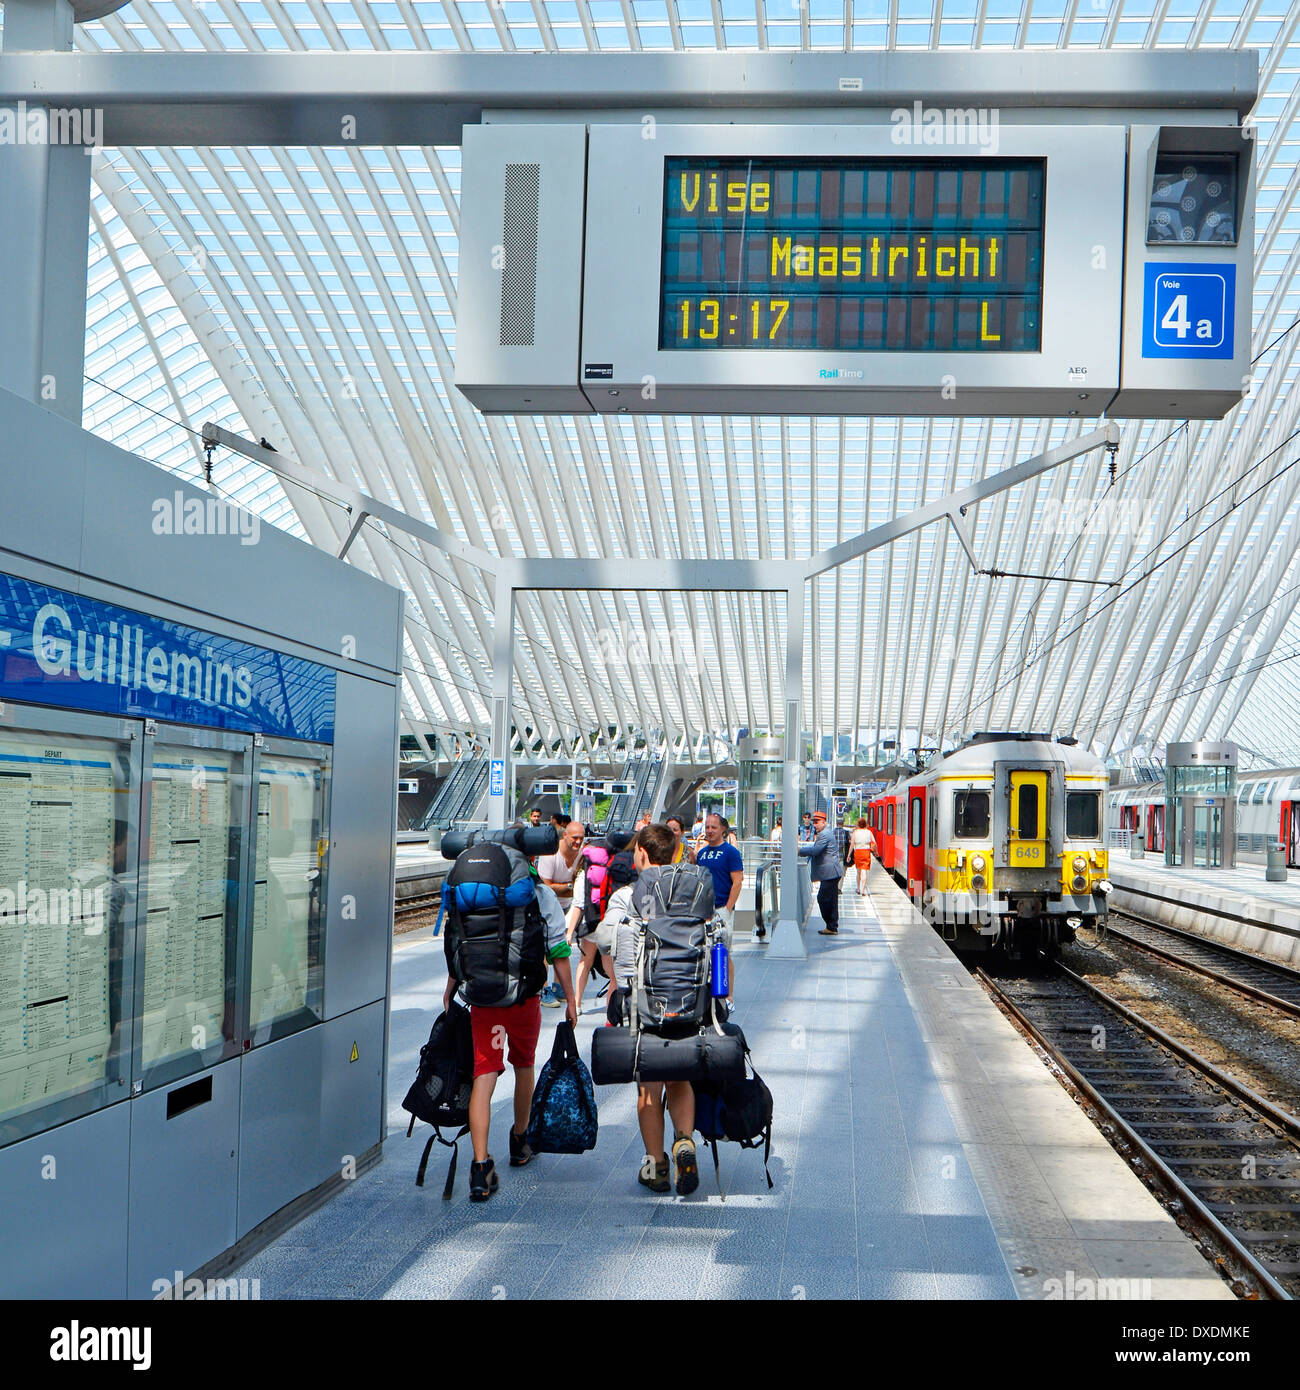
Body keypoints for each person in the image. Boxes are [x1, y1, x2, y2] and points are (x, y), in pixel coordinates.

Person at [441, 846, 577, 1202]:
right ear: (528, 860)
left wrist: (451, 987)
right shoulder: (540, 894)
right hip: (524, 999)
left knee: (483, 1076)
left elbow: (458, 941)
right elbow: (558, 951)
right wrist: (572, 999)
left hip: (483, 1000)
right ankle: (520, 1141)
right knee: (523, 1067)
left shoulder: (474, 893)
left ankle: (480, 1167)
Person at [610, 823, 701, 1196]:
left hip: (646, 1009)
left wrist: (621, 999)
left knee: (649, 1088)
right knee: (680, 1078)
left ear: (643, 854)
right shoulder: (693, 892)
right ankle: (684, 1141)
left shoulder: (628, 897)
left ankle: (657, 1166)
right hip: (689, 1005)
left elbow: (617, 956)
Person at [536, 820, 584, 1005]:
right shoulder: (550, 855)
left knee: (563, 947)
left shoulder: (581, 853)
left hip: (568, 906)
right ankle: (544, 988)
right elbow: (545, 886)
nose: (578, 842)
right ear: (565, 836)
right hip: (548, 906)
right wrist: (570, 887)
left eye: (581, 838)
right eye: (574, 838)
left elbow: (581, 888)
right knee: (545, 948)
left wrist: (566, 890)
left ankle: (558, 986)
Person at [695, 812, 743, 935]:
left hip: (721, 909)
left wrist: (727, 909)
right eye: (707, 827)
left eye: (714, 827)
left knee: (721, 951)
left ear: (723, 829)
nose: (710, 831)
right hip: (702, 911)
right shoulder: (701, 854)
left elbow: (737, 882)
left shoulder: (731, 852)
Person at [800, 809, 844, 936]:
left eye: (817, 822)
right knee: (832, 901)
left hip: (829, 873)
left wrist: (799, 850)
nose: (814, 824)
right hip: (832, 872)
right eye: (814, 822)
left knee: (823, 898)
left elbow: (815, 850)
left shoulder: (824, 835)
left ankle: (831, 925)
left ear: (824, 822)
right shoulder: (827, 833)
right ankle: (832, 926)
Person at [850, 816, 878, 896]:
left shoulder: (855, 832)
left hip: (858, 852)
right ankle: (863, 889)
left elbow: (852, 844)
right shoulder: (869, 832)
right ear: (865, 824)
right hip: (866, 852)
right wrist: (876, 852)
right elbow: (874, 842)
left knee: (858, 872)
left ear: (858, 824)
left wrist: (849, 855)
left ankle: (858, 888)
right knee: (864, 871)